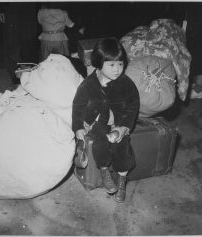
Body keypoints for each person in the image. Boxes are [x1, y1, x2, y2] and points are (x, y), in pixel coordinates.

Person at [72, 38, 140, 202]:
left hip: (119, 122)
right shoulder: (89, 83)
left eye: (120, 64)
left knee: (122, 146)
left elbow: (133, 105)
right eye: (111, 65)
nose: (117, 70)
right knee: (100, 142)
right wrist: (78, 126)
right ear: (98, 63)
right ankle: (104, 172)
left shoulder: (126, 83)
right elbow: (78, 105)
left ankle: (122, 180)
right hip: (97, 121)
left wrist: (123, 127)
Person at [0, 2, 38, 85]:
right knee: (12, 42)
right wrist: (0, 9)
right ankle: (15, 76)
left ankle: (30, 74)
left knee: (29, 40)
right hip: (11, 7)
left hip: (29, 8)